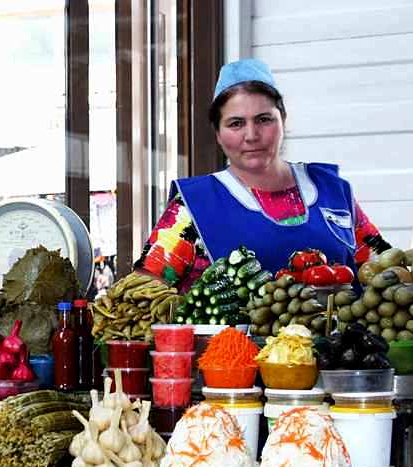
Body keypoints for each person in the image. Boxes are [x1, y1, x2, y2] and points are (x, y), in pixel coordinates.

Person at [135, 59, 391, 292]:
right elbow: (144, 294)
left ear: (284, 121)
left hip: (339, 343)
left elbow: (386, 273)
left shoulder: (332, 191)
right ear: (218, 134)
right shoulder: (192, 206)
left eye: (264, 120)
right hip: (231, 345)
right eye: (236, 123)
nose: (251, 135)